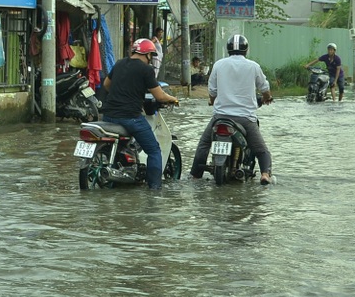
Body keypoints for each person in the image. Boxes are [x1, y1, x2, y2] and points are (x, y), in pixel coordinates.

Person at [190, 34, 274, 185]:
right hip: (245, 118)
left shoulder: (218, 65)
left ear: (228, 49)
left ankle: (195, 176)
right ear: (246, 50)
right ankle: (265, 175)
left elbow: (212, 91)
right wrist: (267, 97)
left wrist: (213, 101)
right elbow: (265, 88)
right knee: (261, 150)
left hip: (220, 117)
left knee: (204, 145)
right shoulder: (253, 66)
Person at [101, 38, 179, 190]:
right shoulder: (146, 70)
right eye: (151, 55)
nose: (151, 60)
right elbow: (160, 96)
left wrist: (121, 95)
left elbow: (106, 85)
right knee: (154, 150)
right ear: (148, 54)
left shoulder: (119, 63)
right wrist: (173, 99)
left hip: (108, 116)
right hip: (130, 118)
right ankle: (154, 189)